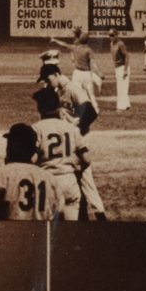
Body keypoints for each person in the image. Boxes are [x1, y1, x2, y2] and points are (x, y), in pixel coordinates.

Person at [36, 63, 106, 220]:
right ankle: (84, 217)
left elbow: (91, 112)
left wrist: (76, 132)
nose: (47, 83)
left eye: (47, 79)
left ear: (56, 74)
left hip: (77, 140)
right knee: (75, 180)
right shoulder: (58, 91)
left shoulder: (72, 88)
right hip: (68, 140)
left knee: (85, 179)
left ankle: (100, 216)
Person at [0, 122, 61, 221]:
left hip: (9, 230)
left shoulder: (0, 175)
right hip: (40, 230)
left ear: (10, 147)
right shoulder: (49, 178)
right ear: (32, 151)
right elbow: (59, 220)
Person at [32, 88, 90, 220]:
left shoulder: (36, 129)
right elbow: (86, 160)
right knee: (70, 229)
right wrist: (77, 169)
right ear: (58, 107)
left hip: (47, 182)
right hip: (69, 180)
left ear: (40, 108)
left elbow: (32, 160)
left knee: (47, 229)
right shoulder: (71, 128)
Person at [50, 31, 103, 114]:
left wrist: (55, 40)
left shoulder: (75, 48)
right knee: (91, 94)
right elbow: (93, 63)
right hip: (86, 73)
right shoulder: (89, 50)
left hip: (77, 73)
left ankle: (78, 109)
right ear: (88, 40)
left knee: (77, 93)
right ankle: (96, 109)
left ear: (79, 40)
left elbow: (64, 44)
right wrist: (99, 73)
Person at [110, 29, 131, 110]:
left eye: (112, 35)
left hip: (122, 67)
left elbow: (127, 56)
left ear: (116, 35)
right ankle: (126, 105)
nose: (111, 37)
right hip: (117, 67)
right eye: (110, 35)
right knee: (122, 87)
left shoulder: (120, 44)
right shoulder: (112, 43)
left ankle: (120, 107)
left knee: (121, 88)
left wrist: (125, 70)